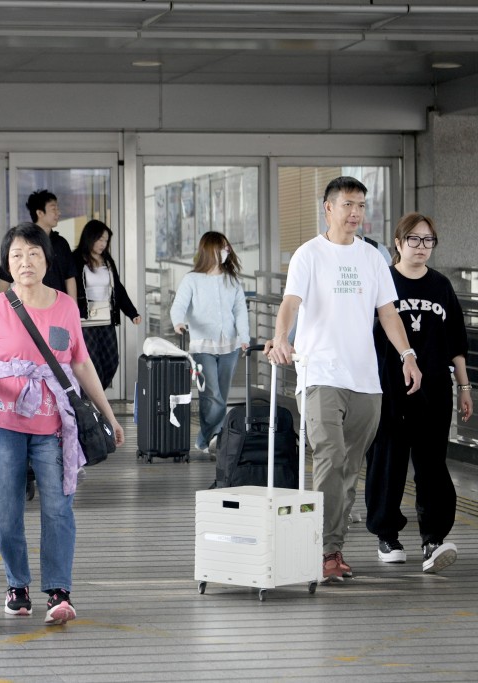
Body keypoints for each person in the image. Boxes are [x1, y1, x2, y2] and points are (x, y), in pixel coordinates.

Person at [0, 221, 125, 626]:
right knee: (9, 511)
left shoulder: (66, 307)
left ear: (47, 259)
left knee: (59, 507)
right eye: (16, 255)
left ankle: (59, 591)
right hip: (2, 421)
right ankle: (18, 586)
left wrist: (109, 415)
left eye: (33, 253)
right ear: (6, 263)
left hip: (54, 424)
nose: (25, 261)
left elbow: (80, 364)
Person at [265, 176, 421, 584]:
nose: (356, 213)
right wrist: (281, 337)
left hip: (366, 380)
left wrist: (407, 355)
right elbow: (291, 303)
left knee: (349, 468)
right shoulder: (309, 255)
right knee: (331, 457)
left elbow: (388, 312)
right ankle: (322, 550)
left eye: (362, 206)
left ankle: (332, 548)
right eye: (349, 205)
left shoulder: (372, 258)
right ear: (328, 208)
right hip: (320, 374)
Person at [365, 212, 472, 573]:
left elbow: (456, 342)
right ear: (397, 243)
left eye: (428, 240)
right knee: (388, 460)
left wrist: (464, 386)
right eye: (414, 240)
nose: (422, 247)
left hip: (435, 389)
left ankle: (433, 539)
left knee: (432, 464)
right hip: (389, 388)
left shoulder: (441, 285)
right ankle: (387, 534)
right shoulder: (383, 282)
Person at [169, 231, 249, 451]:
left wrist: (244, 337)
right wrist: (178, 322)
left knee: (220, 395)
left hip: (230, 347)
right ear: (209, 250)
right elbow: (179, 305)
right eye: (222, 247)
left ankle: (205, 440)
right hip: (202, 346)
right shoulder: (192, 279)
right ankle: (216, 437)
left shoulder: (232, 280)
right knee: (211, 394)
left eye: (227, 247)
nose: (226, 251)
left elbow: (240, 310)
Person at [72, 220, 142, 390]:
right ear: (90, 238)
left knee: (111, 361)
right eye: (100, 239)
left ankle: (93, 398)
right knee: (92, 363)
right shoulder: (75, 259)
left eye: (106, 240)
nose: (103, 244)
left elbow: (118, 289)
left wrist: (132, 313)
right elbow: (70, 287)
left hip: (106, 317)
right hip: (85, 319)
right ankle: (92, 403)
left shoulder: (107, 261)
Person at [0, 190, 76, 299]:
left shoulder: (61, 243)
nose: (58, 213)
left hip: (57, 307)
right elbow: (4, 280)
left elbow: (70, 278)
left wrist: (73, 307)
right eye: (54, 209)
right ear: (39, 213)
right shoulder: (21, 241)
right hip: (27, 307)